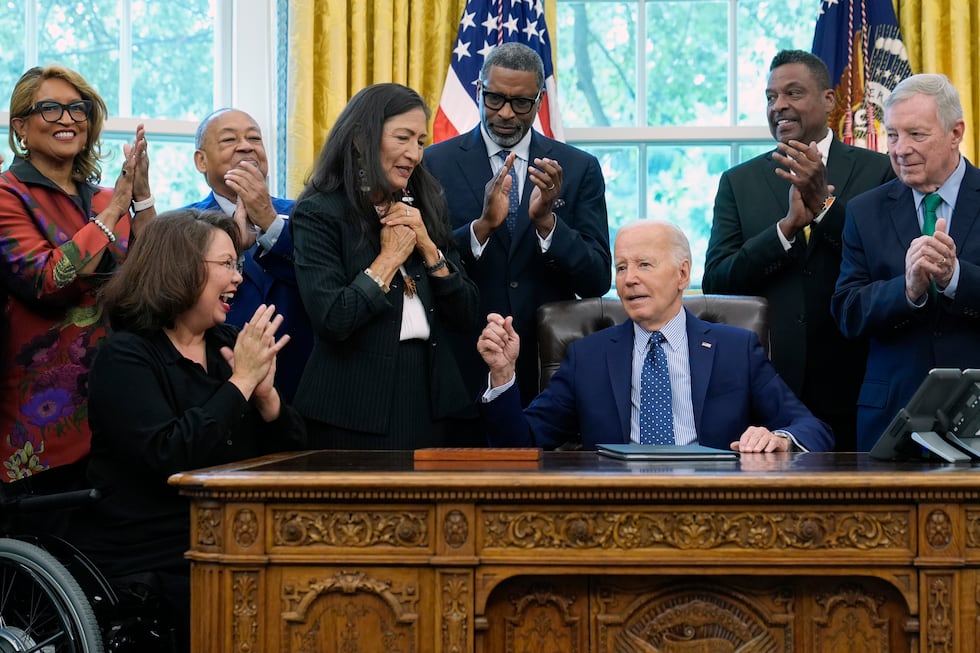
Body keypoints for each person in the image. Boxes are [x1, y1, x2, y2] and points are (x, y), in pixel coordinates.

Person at [76, 209, 306, 652]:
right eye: (226, 265)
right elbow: (170, 455)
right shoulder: (125, 357)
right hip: (155, 544)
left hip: (231, 531)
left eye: (238, 265)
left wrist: (266, 397)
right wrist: (240, 384)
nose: (238, 277)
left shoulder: (228, 345)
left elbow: (291, 454)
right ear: (180, 269)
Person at [478, 220, 834, 453]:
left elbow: (813, 429)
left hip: (713, 507)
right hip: (616, 514)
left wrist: (780, 439)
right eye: (621, 267)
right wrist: (503, 375)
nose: (629, 278)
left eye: (644, 265)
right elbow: (518, 446)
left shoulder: (734, 348)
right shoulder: (589, 356)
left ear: (682, 274)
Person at [702, 50, 894, 452]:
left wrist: (823, 208)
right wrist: (784, 231)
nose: (779, 106)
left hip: (856, 382)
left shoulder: (878, 171)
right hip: (767, 388)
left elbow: (886, 266)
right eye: (771, 97)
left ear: (828, 100)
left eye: (792, 93)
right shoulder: (739, 182)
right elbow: (718, 280)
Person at [0, 65, 154, 524]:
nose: (67, 118)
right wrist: (113, 213)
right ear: (21, 127)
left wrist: (140, 197)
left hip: (119, 410)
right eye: (50, 108)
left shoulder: (106, 195)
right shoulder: (8, 195)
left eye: (77, 108)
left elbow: (150, 281)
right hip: (42, 425)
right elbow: (48, 282)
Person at [425, 42, 611, 420]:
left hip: (547, 370)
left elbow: (596, 278)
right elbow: (424, 266)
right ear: (478, 90)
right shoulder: (433, 163)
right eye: (494, 99)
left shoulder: (577, 168)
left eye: (521, 103)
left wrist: (548, 223)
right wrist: (481, 227)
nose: (506, 113)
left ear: (540, 100)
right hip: (461, 365)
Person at [290, 83, 480, 450]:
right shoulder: (319, 213)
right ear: (361, 139)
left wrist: (428, 248)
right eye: (403, 138)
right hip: (350, 409)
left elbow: (467, 313)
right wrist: (388, 259)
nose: (415, 154)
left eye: (421, 142)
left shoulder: (425, 204)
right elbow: (333, 319)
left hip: (432, 401)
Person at [832, 73, 980, 451]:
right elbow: (848, 311)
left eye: (917, 135)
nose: (900, 149)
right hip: (892, 419)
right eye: (893, 135)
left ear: (955, 132)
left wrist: (954, 278)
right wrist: (908, 289)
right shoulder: (865, 211)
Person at [185, 108, 312, 403]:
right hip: (219, 379)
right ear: (201, 160)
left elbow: (319, 280)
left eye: (254, 138)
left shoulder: (306, 213)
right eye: (229, 140)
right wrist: (233, 251)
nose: (246, 145)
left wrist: (269, 221)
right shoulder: (184, 225)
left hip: (300, 376)